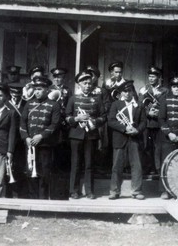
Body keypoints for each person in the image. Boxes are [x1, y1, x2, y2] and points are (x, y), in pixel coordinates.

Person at [65, 71, 106, 199]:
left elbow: (103, 117)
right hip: (76, 135)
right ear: (79, 85)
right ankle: (74, 191)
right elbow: (66, 117)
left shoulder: (97, 99)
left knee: (89, 164)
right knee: (75, 163)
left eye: (90, 83)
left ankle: (89, 191)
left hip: (91, 135)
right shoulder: (73, 99)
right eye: (85, 83)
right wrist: (77, 119)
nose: (88, 85)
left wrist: (95, 121)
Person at [19, 76, 61, 200]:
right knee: (30, 171)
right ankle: (33, 199)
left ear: (47, 90)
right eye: (35, 89)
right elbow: (22, 123)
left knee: (44, 173)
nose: (37, 92)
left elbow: (55, 124)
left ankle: (43, 200)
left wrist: (41, 136)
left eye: (40, 89)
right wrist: (26, 137)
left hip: (45, 145)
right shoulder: (29, 104)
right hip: (30, 144)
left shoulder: (54, 105)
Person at [107, 80, 145, 200]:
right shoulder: (116, 104)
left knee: (137, 165)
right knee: (117, 166)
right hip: (120, 138)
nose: (127, 94)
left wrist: (137, 130)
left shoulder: (139, 105)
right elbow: (111, 121)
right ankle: (114, 191)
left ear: (133, 92)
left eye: (130, 91)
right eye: (125, 91)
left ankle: (136, 191)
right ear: (121, 93)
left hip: (134, 138)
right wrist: (125, 128)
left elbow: (144, 122)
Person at [139, 66, 168, 175]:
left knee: (158, 146)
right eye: (150, 76)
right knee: (146, 146)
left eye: (153, 76)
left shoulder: (165, 90)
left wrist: (158, 113)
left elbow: (166, 106)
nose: (151, 79)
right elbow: (140, 106)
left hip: (158, 123)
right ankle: (147, 168)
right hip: (147, 122)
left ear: (159, 77)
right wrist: (148, 113)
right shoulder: (143, 89)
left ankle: (157, 168)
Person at [5, 83, 28, 198]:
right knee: (7, 167)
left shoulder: (26, 104)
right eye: (13, 93)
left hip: (21, 141)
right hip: (8, 139)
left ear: (21, 93)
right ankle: (7, 193)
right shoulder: (5, 104)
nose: (16, 96)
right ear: (10, 93)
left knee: (20, 166)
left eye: (18, 93)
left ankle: (20, 193)